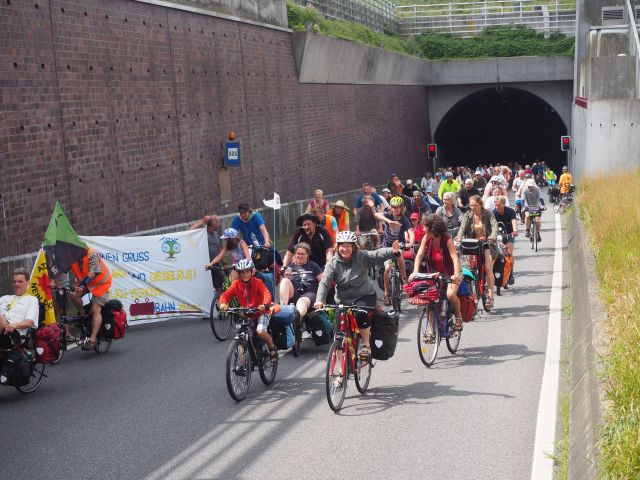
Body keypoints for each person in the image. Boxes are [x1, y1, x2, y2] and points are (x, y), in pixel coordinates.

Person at [314, 231, 402, 363]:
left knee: (361, 314)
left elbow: (377, 254)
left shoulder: (362, 256)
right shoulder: (333, 262)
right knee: (338, 332)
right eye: (342, 246)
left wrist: (393, 251)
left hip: (364, 296)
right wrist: (319, 300)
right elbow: (325, 282)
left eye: (348, 245)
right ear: (338, 247)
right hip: (342, 299)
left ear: (353, 246)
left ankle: (366, 345)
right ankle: (339, 372)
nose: (345, 249)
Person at [409, 214, 463, 332]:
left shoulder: (447, 239)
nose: (423, 229)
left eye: (425, 227)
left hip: (451, 273)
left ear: (433, 228)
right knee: (430, 300)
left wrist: (456, 275)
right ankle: (430, 330)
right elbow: (419, 255)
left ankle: (458, 317)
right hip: (434, 275)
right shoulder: (427, 238)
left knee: (450, 294)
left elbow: (455, 258)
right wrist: (415, 272)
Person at [218, 259, 277, 362]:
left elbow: (266, 294)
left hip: (261, 312)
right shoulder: (236, 284)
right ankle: (243, 363)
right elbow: (226, 295)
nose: (245, 274)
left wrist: (264, 304)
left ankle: (272, 348)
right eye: (242, 272)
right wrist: (223, 303)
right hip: (247, 313)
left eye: (247, 272)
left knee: (260, 330)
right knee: (242, 333)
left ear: (251, 272)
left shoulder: (258, 282)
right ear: (239, 273)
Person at [456, 195, 498, 309]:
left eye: (475, 205)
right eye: (471, 205)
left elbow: (495, 226)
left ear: (480, 205)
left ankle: (490, 296)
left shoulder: (488, 213)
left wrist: (492, 236)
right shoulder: (468, 215)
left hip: (487, 244)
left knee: (488, 268)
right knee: (471, 269)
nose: (473, 208)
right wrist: (459, 237)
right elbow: (462, 227)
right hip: (473, 244)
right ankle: (473, 286)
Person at [69, 247, 113, 350]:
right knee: (72, 294)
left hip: (101, 284)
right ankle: (83, 313)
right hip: (86, 284)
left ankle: (93, 339)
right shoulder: (72, 256)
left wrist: (82, 286)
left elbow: (94, 271)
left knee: (95, 309)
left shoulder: (91, 254)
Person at [375, 197, 414, 306]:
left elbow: (411, 231)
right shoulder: (388, 215)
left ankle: (404, 278)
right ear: (391, 208)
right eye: (394, 207)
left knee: (399, 255)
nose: (396, 210)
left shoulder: (404, 219)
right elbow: (377, 215)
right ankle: (387, 295)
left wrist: (410, 242)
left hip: (399, 244)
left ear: (402, 208)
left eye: (398, 207)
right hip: (387, 246)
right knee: (387, 269)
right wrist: (388, 221)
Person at [278, 243, 323, 320]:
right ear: (295, 254)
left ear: (307, 255)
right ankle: (283, 310)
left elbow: (323, 282)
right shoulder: (290, 267)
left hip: (309, 294)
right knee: (285, 281)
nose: (300, 256)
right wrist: (287, 277)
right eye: (298, 253)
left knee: (302, 301)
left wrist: (321, 298)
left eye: (303, 254)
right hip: (294, 293)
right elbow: (283, 287)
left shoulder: (313, 266)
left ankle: (296, 320)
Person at [0, 268, 39, 349]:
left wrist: (13, 325)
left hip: (14, 334)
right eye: (14, 281)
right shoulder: (4, 298)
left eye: (20, 281)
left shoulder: (32, 300)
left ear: (28, 283)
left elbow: (29, 322)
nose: (17, 284)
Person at [191, 214, 222, 288]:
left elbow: (218, 248)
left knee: (220, 286)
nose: (219, 224)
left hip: (215, 264)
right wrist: (203, 220)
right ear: (213, 224)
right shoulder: (202, 233)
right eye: (218, 222)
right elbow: (191, 230)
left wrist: (223, 263)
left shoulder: (216, 234)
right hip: (205, 265)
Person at [493, 196, 518, 285]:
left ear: (503, 204)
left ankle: (511, 274)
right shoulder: (494, 213)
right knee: (495, 253)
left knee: (509, 253)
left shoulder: (510, 211)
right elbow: (491, 225)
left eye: (498, 205)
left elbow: (513, 221)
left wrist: (515, 230)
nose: (496, 207)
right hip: (498, 236)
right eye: (495, 205)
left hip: (509, 235)